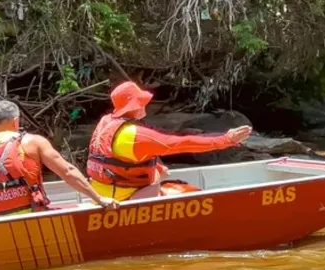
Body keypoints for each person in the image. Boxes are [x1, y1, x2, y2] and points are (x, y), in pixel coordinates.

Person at [0, 100, 118, 216]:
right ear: (16, 122)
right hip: (34, 217)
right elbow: (67, 172)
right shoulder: (34, 143)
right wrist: (98, 199)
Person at [87, 81, 253, 201]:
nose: (146, 104)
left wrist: (155, 166)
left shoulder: (106, 124)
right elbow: (182, 143)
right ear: (136, 106)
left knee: (159, 173)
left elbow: (118, 158)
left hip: (100, 194)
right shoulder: (134, 136)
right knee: (189, 193)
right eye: (142, 101)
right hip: (122, 198)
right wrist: (225, 140)